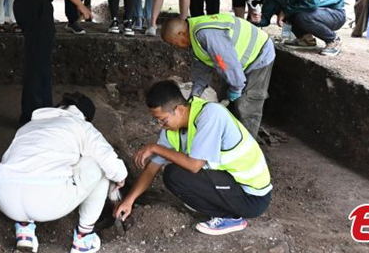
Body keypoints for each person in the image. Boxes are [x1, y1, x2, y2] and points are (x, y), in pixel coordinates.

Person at [114, 80, 272, 236]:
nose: (160, 125)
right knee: (172, 176)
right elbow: (152, 168)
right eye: (157, 120)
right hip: (230, 183)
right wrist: (129, 200)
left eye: (162, 119)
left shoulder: (210, 115)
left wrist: (155, 147)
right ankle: (221, 206)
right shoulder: (171, 131)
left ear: (180, 109)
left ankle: (230, 218)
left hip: (252, 196)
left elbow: (194, 165)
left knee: (177, 173)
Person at [0, 93, 127, 253]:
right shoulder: (81, 126)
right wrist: (120, 177)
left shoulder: (27, 127)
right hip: (46, 202)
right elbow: (109, 160)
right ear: (85, 117)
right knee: (99, 164)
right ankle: (83, 238)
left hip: (5, 198)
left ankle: (24, 230)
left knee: (28, 166)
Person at [161, 14, 275, 140]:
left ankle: (247, 147)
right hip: (238, 61)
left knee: (246, 104)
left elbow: (228, 63)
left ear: (181, 34)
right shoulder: (194, 36)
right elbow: (202, 70)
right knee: (226, 98)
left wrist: (236, 88)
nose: (175, 47)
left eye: (174, 44)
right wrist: (194, 97)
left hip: (259, 54)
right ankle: (231, 137)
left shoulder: (206, 35)